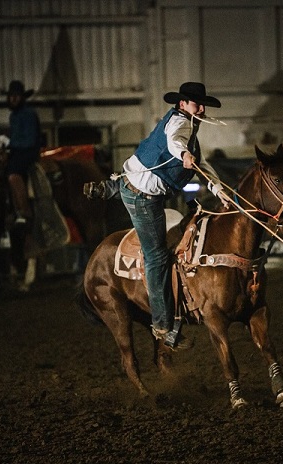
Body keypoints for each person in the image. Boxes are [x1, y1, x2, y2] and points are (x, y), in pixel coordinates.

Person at [99, 82, 226, 350]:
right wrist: (183, 154)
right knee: (156, 255)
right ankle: (163, 326)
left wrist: (218, 188)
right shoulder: (180, 124)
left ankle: (113, 187)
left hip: (140, 184)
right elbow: (174, 142)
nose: (201, 108)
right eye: (196, 103)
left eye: (202, 104)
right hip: (144, 196)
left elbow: (199, 162)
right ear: (182, 104)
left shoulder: (186, 124)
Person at [2, 80, 41, 227]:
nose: (13, 99)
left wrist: (10, 146)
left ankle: (25, 210)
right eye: (11, 96)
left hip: (28, 151)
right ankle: (10, 208)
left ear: (22, 97)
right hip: (18, 151)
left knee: (13, 173)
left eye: (17, 96)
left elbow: (30, 140)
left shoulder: (29, 114)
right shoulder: (13, 116)